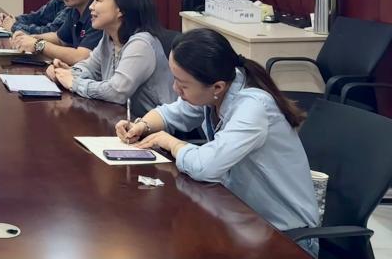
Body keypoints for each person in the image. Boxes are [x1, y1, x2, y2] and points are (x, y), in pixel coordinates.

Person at [115, 28, 319, 248]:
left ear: (217, 87)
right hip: (243, 221)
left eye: (183, 85)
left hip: (285, 237)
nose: (175, 89)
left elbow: (206, 167)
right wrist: (141, 126)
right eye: (175, 80)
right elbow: (174, 112)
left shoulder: (253, 108)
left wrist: (170, 142)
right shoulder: (218, 88)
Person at [49, 0, 175, 117]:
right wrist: (65, 72)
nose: (91, 7)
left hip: (156, 126)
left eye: (98, 0)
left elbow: (116, 92)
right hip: (122, 119)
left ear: (120, 10)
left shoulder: (141, 44)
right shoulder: (108, 38)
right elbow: (90, 67)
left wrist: (75, 83)